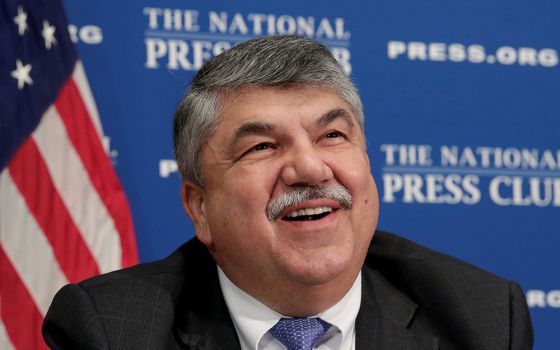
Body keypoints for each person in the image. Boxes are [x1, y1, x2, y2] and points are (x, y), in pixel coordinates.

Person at [42, 35, 533, 350]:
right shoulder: (111, 331)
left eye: (332, 136)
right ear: (201, 208)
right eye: (261, 146)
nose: (309, 167)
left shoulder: (482, 318)